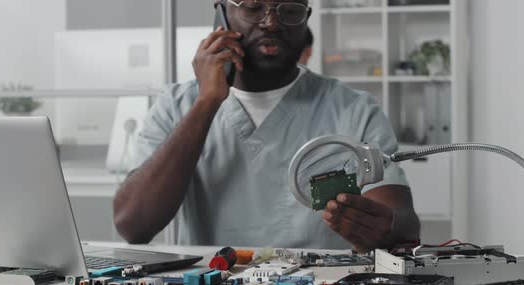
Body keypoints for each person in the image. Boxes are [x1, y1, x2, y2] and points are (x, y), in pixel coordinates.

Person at [113, 0, 420, 252]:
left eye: (289, 9)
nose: (271, 22)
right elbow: (133, 225)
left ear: (306, 19)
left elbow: (404, 225)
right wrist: (207, 101)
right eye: (252, 6)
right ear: (222, 16)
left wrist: (384, 228)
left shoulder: (354, 109)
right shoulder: (176, 106)